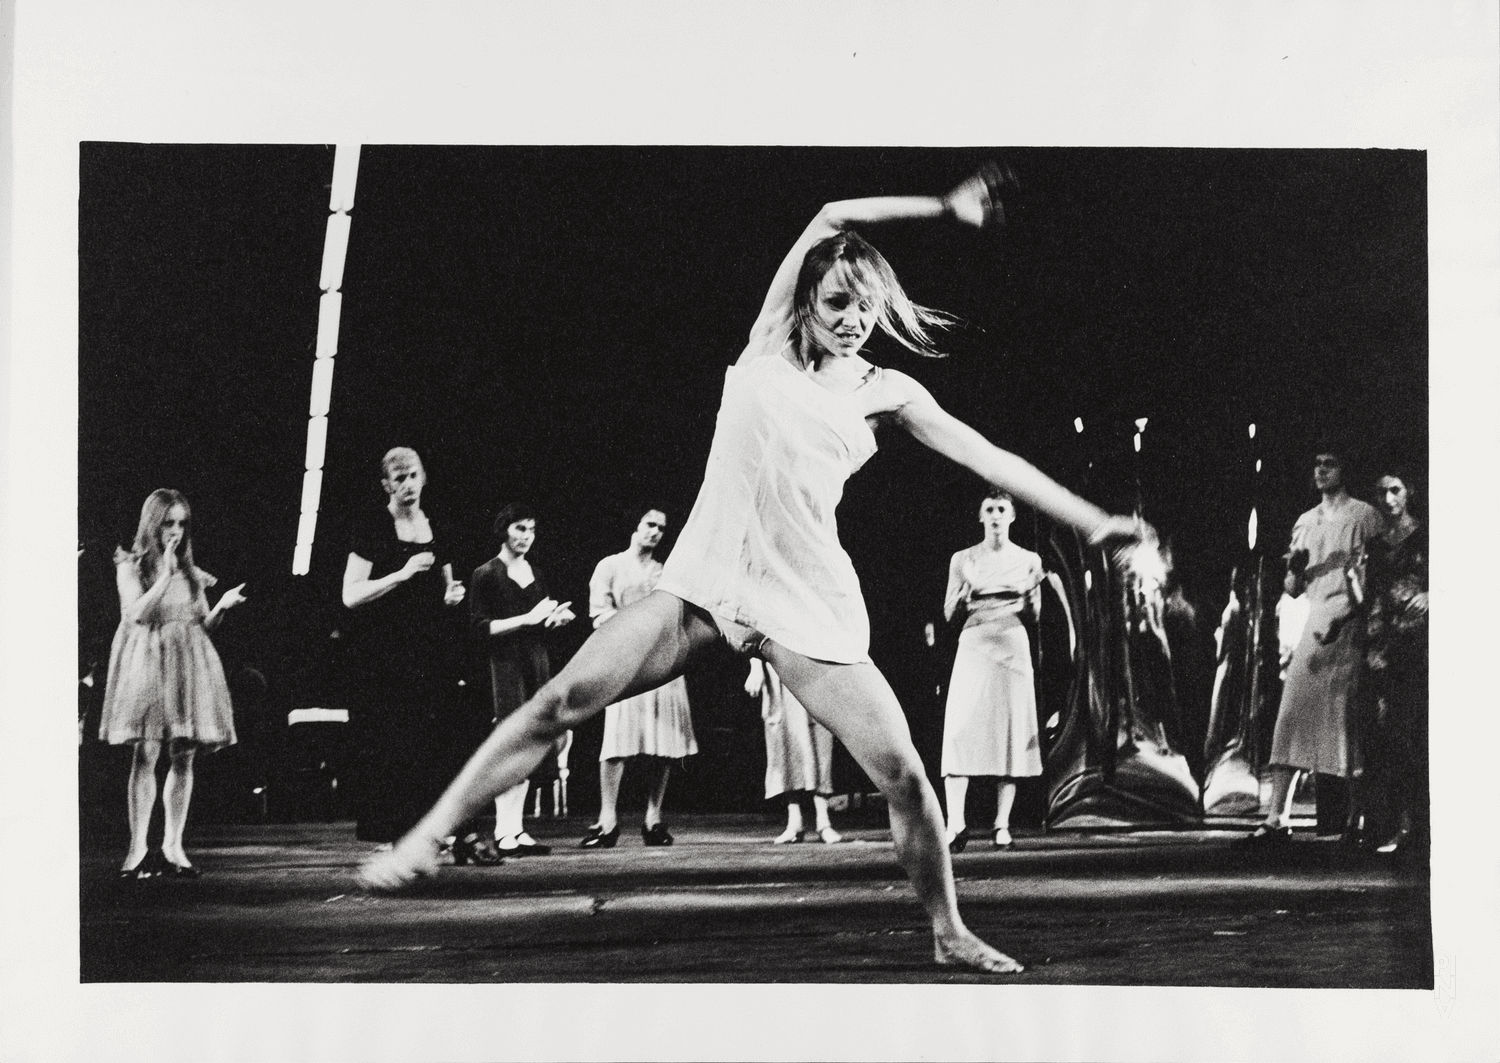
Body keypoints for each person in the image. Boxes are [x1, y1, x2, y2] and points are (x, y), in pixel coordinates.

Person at [360, 164, 1147, 975]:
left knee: (905, 775)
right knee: (557, 700)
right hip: (703, 585)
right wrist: (941, 207)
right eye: (838, 302)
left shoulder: (887, 391)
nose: (853, 319)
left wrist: (1092, 522)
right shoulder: (766, 342)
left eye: (866, 305)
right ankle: (425, 837)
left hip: (802, 597)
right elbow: (832, 209)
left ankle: (948, 928)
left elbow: (991, 456)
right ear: (805, 300)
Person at [100, 489, 246, 878]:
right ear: (154, 523)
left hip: (188, 665)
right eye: (169, 523)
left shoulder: (191, 572)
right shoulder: (130, 566)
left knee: (184, 755)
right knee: (146, 753)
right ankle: (136, 850)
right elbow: (135, 615)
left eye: (182, 524)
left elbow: (202, 625)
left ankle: (173, 847)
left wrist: (221, 607)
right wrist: (164, 575)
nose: (176, 532)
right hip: (148, 664)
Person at [1244, 450, 1382, 843]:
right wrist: (1293, 570)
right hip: (1315, 621)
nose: (1321, 471)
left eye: (1330, 464)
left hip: (1352, 622)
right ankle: (1276, 818)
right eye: (1317, 464)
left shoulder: (1364, 516)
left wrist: (1353, 613)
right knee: (1290, 718)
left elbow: (1375, 576)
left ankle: (1357, 821)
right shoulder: (1306, 521)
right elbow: (1292, 588)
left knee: (1346, 721)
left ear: (1344, 469)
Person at [342, 448, 467, 844]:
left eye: (413, 476)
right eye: (399, 479)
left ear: (423, 477)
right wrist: (399, 574)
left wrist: (452, 594)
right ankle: (394, 835)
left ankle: (433, 833)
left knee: (431, 742)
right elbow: (350, 594)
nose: (408, 485)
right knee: (392, 743)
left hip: (429, 651)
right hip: (384, 655)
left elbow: (448, 583)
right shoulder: (373, 527)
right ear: (386, 485)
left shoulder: (437, 526)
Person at [580, 509, 697, 849]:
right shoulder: (610, 566)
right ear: (635, 526)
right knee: (617, 742)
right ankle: (607, 820)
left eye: (662, 527)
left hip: (663, 664)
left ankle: (653, 818)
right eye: (650, 525)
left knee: (665, 745)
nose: (656, 532)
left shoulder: (666, 572)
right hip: (626, 661)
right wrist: (635, 629)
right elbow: (599, 612)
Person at [939, 489, 1045, 852]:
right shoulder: (962, 558)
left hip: (1012, 646)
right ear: (981, 516)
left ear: (1012, 516)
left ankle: (1002, 825)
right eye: (990, 510)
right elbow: (949, 614)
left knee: (1011, 731)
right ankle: (956, 823)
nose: (996, 515)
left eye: (1002, 509)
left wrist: (1030, 594)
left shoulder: (1030, 559)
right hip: (974, 643)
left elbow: (1035, 617)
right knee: (958, 730)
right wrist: (967, 587)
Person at [469, 503, 576, 857]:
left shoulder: (536, 571)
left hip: (536, 661)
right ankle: (503, 831)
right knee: (511, 741)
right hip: (506, 665)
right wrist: (527, 619)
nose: (525, 537)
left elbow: (538, 620)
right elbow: (481, 627)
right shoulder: (486, 573)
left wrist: (554, 619)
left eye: (530, 530)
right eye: (519, 529)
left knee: (533, 743)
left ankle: (517, 829)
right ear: (504, 530)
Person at [1362, 469, 1428, 855]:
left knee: (1413, 736)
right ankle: (1390, 827)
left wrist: (1434, 595)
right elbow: (1370, 597)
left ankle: (1415, 828)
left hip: (1420, 643)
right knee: (1389, 738)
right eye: (1381, 491)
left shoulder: (1427, 535)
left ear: (1409, 492)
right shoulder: (1375, 543)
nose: (1388, 499)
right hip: (1385, 647)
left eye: (1395, 490)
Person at [746, 657, 842, 844]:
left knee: (819, 741)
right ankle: (794, 822)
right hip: (779, 669)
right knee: (785, 744)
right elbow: (754, 631)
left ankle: (823, 822)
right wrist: (755, 665)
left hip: (813, 666)